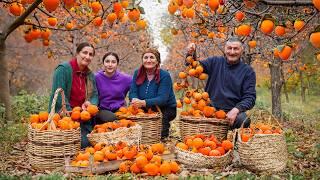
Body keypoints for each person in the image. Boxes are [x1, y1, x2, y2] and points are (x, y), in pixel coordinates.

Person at [186, 36, 256, 129]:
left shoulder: (248, 71)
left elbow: (250, 97)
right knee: (196, 116)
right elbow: (195, 68)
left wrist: (236, 110)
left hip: (232, 112)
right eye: (229, 48)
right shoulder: (215, 62)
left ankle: (235, 142)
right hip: (210, 109)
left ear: (241, 50)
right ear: (225, 49)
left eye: (236, 49)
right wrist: (190, 54)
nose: (232, 52)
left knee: (243, 120)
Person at [48, 42, 98, 148]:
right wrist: (72, 113)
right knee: (82, 144)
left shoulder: (90, 75)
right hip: (65, 118)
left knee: (91, 142)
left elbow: (94, 95)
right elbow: (58, 96)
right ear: (77, 53)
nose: (87, 56)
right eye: (84, 53)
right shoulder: (63, 69)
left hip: (84, 117)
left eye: (90, 54)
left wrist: (90, 103)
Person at [129, 48, 177, 141]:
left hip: (165, 108)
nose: (148, 60)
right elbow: (133, 92)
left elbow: (162, 99)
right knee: (136, 125)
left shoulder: (164, 75)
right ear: (142, 60)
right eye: (145, 57)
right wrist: (134, 99)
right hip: (144, 107)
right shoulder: (137, 73)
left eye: (152, 57)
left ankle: (163, 137)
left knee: (159, 136)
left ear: (157, 61)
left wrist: (143, 102)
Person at [95, 52, 132, 123]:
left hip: (120, 110)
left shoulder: (125, 79)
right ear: (103, 63)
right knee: (112, 118)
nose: (110, 65)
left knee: (126, 120)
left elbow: (136, 88)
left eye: (113, 62)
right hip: (102, 111)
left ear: (117, 64)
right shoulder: (96, 77)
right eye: (107, 61)